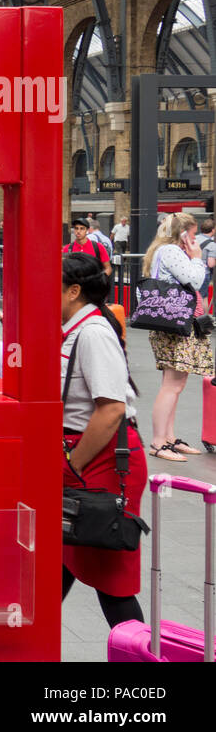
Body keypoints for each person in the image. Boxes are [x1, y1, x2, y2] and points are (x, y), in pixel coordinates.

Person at [60, 252, 146, 629]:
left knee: (112, 582)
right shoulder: (76, 328)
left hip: (102, 462)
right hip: (85, 459)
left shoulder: (93, 332)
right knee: (61, 561)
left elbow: (111, 409)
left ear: (73, 291)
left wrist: (73, 463)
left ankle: (138, 654)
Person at [141, 212, 210, 461]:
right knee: (172, 385)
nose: (195, 239)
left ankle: (169, 438)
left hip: (171, 324)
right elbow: (196, 279)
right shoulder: (171, 252)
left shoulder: (162, 250)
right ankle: (159, 442)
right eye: (192, 234)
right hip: (175, 326)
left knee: (174, 385)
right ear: (183, 234)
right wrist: (198, 258)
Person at [197, 218, 216, 296]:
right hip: (204, 274)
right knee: (203, 297)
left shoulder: (194, 238)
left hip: (191, 272)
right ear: (212, 230)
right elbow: (211, 264)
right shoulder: (212, 245)